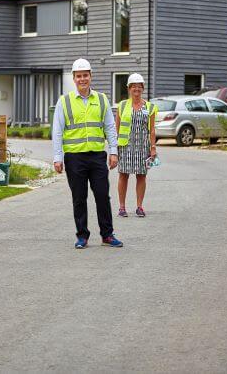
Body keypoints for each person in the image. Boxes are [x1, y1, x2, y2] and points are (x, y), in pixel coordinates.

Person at [52, 58, 123, 249]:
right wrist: (57, 157)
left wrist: (113, 152)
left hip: (97, 156)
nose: (82, 79)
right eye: (79, 76)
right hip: (75, 158)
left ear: (91, 76)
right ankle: (82, 236)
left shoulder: (101, 99)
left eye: (85, 75)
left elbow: (109, 127)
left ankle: (107, 235)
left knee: (102, 195)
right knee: (79, 197)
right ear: (74, 79)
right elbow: (57, 131)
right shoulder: (64, 102)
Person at [115, 73, 158, 217]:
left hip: (142, 147)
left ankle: (139, 206)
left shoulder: (150, 107)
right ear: (129, 88)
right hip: (125, 146)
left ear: (143, 88)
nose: (136, 89)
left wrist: (153, 148)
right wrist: (114, 149)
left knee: (141, 176)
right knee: (123, 175)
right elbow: (116, 128)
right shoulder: (122, 106)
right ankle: (122, 207)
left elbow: (152, 130)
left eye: (139, 87)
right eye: (134, 86)